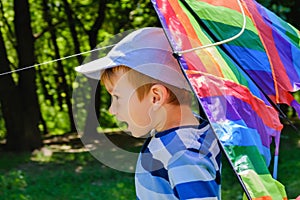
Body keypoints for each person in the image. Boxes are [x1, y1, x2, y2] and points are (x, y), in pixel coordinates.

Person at [76, 27, 221, 200]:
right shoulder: (190, 133)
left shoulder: (182, 153)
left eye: (117, 97)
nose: (111, 110)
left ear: (155, 98)